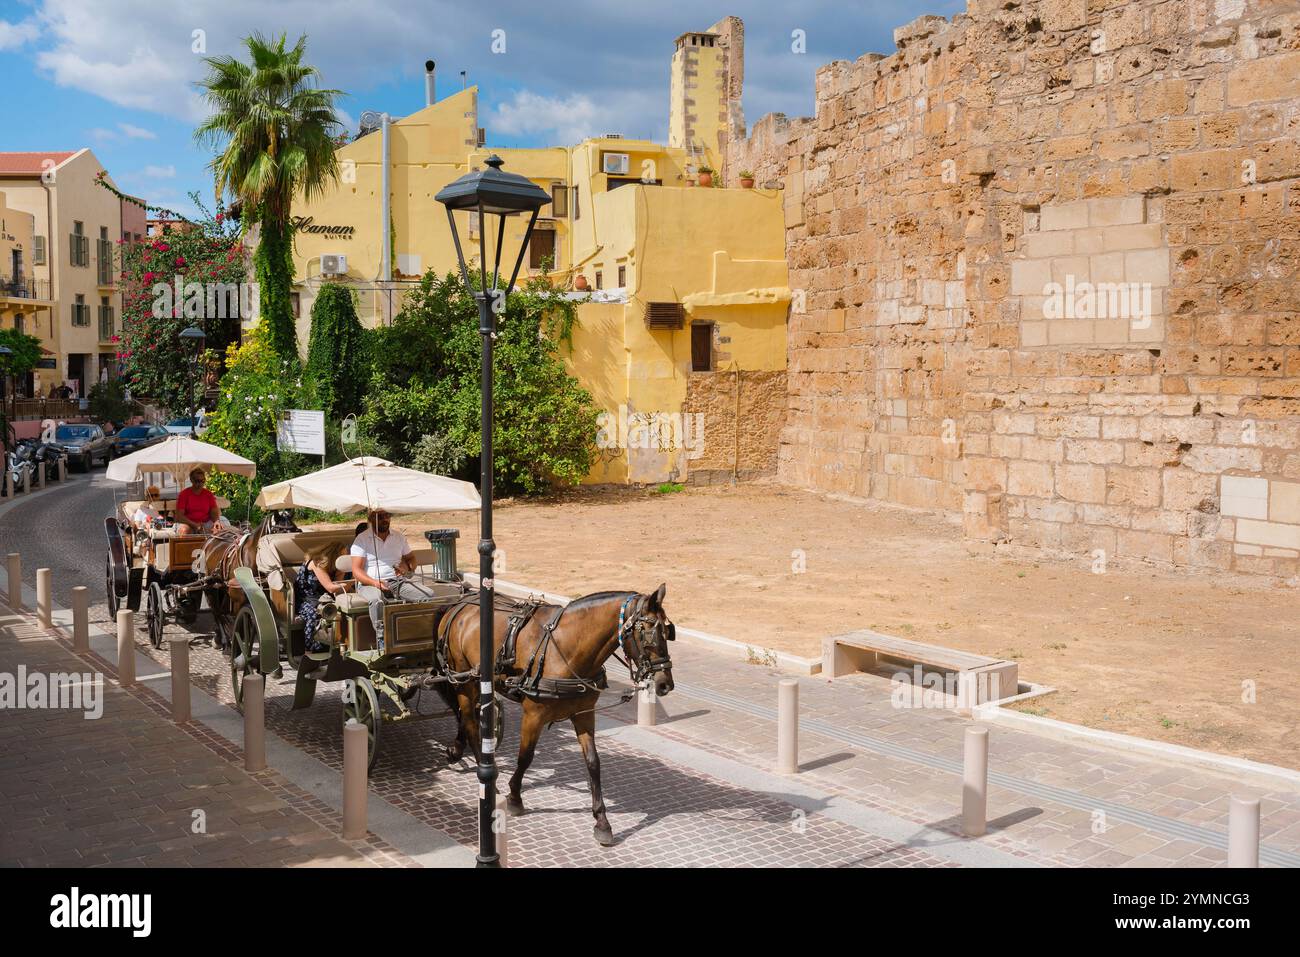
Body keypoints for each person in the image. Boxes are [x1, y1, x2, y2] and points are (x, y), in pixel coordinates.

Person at [350, 509, 433, 649]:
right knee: (377, 601)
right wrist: (375, 582)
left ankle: (419, 635)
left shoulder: (398, 537)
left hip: (397, 581)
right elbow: (356, 571)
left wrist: (408, 568)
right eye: (380, 517)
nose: (385, 519)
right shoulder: (362, 539)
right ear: (371, 518)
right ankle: (383, 640)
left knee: (428, 595)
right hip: (369, 583)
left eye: (387, 516)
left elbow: (411, 558)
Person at [296, 541, 351, 653]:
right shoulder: (317, 563)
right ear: (334, 555)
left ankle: (341, 644)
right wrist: (353, 580)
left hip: (326, 598)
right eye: (342, 556)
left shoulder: (334, 566)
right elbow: (331, 587)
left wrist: (342, 571)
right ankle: (310, 648)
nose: (344, 559)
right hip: (306, 599)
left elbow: (338, 584)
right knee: (314, 613)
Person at [175, 468, 221, 533]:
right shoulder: (184, 494)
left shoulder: (208, 494)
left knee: (219, 530)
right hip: (188, 523)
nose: (201, 484)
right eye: (197, 481)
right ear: (192, 480)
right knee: (184, 531)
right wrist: (194, 525)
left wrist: (217, 522)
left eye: (203, 481)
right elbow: (179, 517)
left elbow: (214, 513)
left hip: (205, 523)